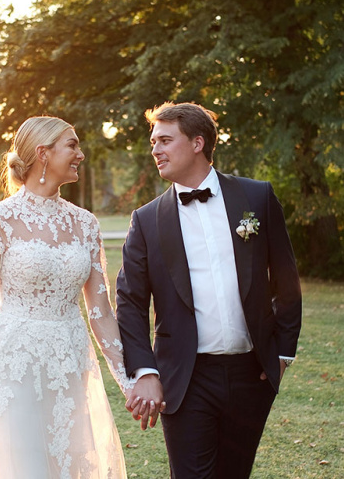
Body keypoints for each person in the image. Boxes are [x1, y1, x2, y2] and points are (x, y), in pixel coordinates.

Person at [0, 116, 133, 478]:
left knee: (68, 463)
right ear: (43, 153)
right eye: (72, 145)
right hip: (15, 362)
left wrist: (127, 381)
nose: (81, 154)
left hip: (70, 362)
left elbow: (101, 311)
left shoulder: (85, 224)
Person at [116, 102, 302, 478]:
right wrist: (146, 371)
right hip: (186, 376)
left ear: (198, 142)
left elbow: (286, 279)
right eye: (153, 142)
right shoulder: (147, 220)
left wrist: (283, 353)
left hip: (253, 374)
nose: (155, 150)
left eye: (165, 140)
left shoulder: (257, 199)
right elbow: (130, 302)